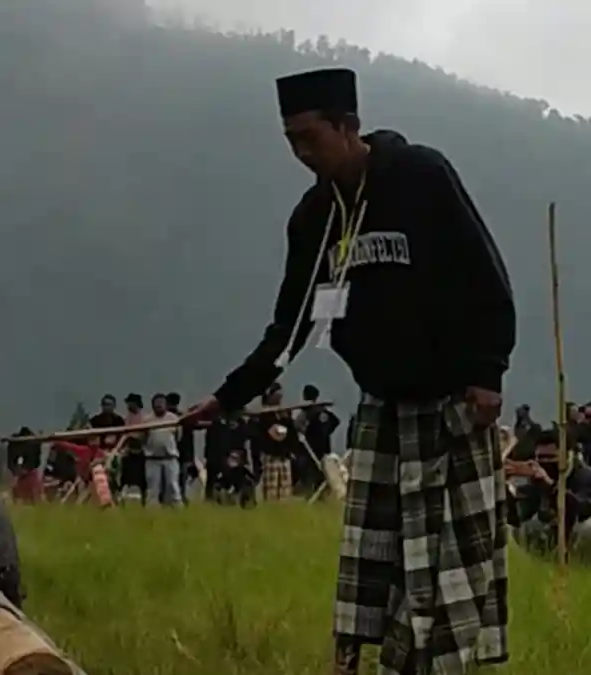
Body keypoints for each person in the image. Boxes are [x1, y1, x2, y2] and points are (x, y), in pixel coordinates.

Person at [182, 68, 515, 675]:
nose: (300, 153)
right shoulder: (314, 217)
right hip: (381, 409)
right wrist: (229, 396)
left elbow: (482, 273)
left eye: (309, 137)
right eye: (290, 141)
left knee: (445, 562)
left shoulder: (421, 177)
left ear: (348, 126)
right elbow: (290, 325)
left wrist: (487, 372)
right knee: (377, 556)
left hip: (449, 406)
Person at [142, 393, 182, 506]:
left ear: (166, 405)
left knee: (172, 485)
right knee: (153, 487)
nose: (159, 405)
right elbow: (143, 438)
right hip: (152, 459)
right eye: (156, 403)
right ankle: (151, 510)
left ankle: (176, 509)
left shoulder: (173, 419)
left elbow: (178, 437)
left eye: (161, 403)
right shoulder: (147, 420)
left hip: (170, 458)